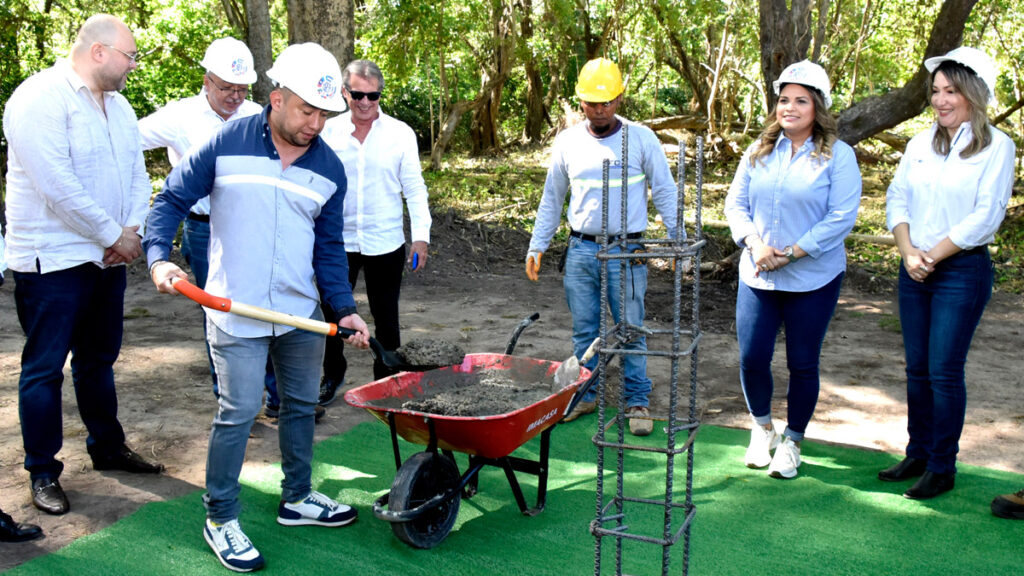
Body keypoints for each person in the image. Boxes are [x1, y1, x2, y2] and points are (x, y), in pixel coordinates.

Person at [144, 42, 370, 572]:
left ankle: (297, 498)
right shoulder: (227, 142)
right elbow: (172, 198)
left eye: (324, 114)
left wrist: (343, 306)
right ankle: (220, 515)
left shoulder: (330, 169)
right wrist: (160, 258)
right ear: (275, 99)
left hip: (299, 314)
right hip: (234, 308)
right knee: (240, 411)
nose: (316, 123)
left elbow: (329, 248)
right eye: (306, 111)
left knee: (299, 406)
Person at [2, 14, 164, 518]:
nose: (133, 66)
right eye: (129, 56)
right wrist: (112, 234)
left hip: (107, 259)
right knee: (44, 369)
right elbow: (57, 185)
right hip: (51, 262)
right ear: (98, 51)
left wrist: (131, 230)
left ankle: (107, 446)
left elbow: (138, 175)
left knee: (98, 361)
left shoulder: (119, 107)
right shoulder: (38, 98)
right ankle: (43, 470)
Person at [138, 38, 322, 422]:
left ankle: (276, 396)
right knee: (222, 313)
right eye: (227, 87)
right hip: (203, 229)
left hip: (256, 228)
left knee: (269, 307)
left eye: (242, 88)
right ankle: (236, 401)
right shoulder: (179, 115)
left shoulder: (259, 115)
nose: (235, 96)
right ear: (207, 81)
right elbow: (125, 141)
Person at [880, 47, 1015, 500]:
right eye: (936, 91)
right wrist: (907, 250)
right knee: (916, 368)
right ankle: (918, 453)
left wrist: (931, 255)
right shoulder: (920, 143)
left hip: (960, 270)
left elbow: (985, 217)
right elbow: (896, 197)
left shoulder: (998, 147)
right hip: (913, 265)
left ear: (974, 94)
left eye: (951, 90)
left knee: (943, 371)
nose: (940, 100)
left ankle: (942, 466)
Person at [525, 57, 679, 437]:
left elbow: (664, 189)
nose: (600, 109)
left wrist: (677, 240)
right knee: (585, 330)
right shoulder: (568, 142)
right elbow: (552, 198)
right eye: (592, 102)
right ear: (580, 102)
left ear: (620, 98)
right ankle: (586, 393)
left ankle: (637, 400)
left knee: (630, 329)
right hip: (580, 250)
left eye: (607, 101)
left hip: (627, 252)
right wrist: (537, 244)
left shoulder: (641, 138)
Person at [724, 60, 862, 479]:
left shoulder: (838, 156)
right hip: (759, 272)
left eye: (801, 100)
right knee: (751, 357)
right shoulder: (759, 151)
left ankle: (793, 441)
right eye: (784, 99)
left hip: (812, 277)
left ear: (818, 108)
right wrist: (754, 243)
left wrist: (795, 252)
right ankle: (762, 428)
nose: (790, 107)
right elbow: (735, 205)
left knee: (802, 362)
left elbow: (842, 216)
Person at [317, 59, 431, 404]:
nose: (365, 103)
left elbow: (414, 187)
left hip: (385, 242)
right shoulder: (326, 131)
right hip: (338, 240)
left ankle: (386, 383)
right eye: (357, 95)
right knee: (331, 314)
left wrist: (421, 235)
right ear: (344, 92)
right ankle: (331, 374)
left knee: (387, 318)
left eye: (373, 96)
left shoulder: (400, 133)